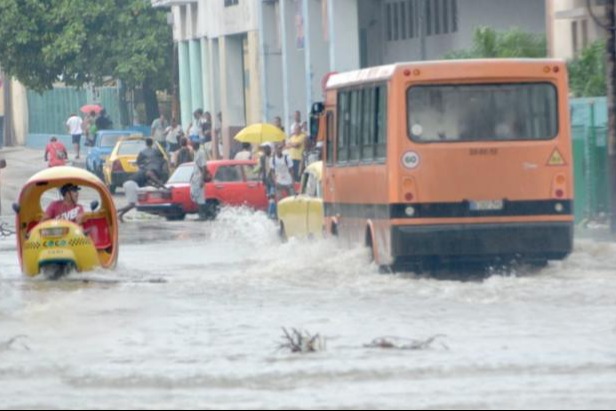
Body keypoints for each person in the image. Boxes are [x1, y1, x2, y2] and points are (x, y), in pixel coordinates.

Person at [190, 142, 210, 220]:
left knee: (201, 198)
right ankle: (201, 214)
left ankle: (203, 215)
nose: (192, 145)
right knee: (195, 196)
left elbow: (204, 167)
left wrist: (202, 180)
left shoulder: (201, 153)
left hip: (199, 178)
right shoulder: (195, 153)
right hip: (195, 178)